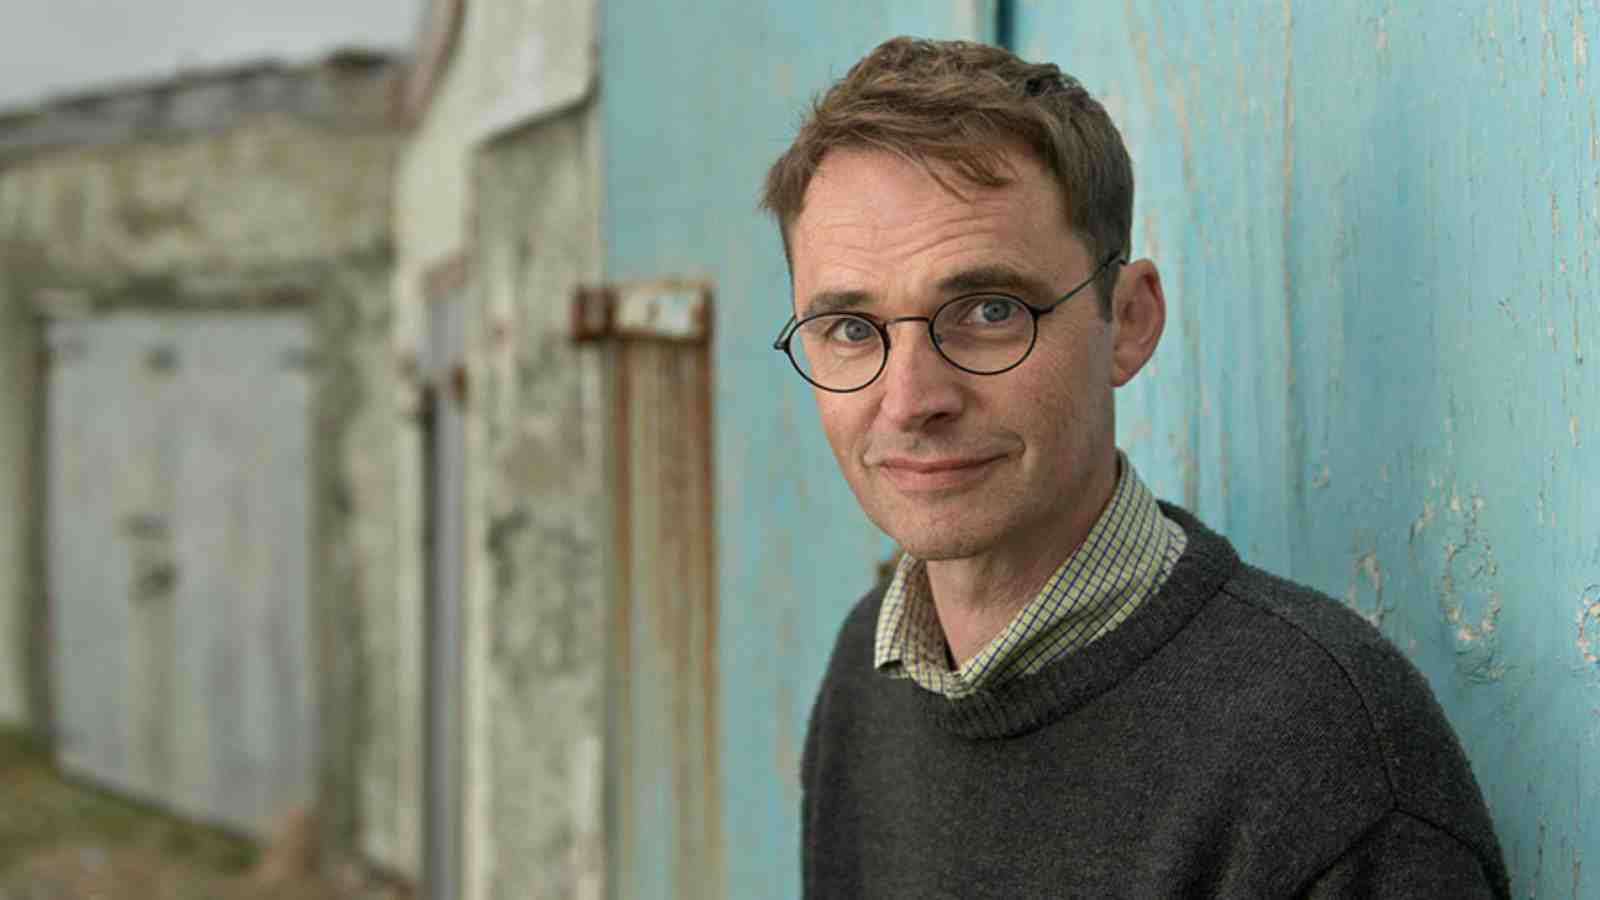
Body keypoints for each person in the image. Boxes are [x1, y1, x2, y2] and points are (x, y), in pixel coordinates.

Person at [761, 37, 1509, 899]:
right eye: (852, 329)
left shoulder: (1322, 747)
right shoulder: (870, 675)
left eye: (989, 310)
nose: (909, 399)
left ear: (1129, 320)